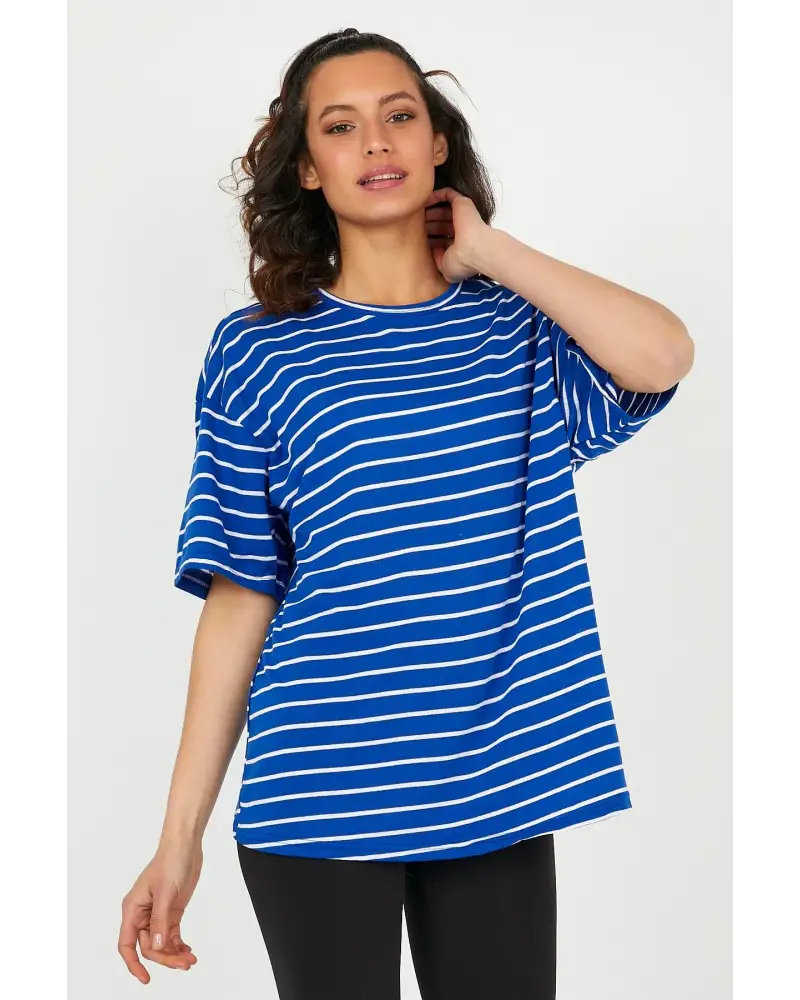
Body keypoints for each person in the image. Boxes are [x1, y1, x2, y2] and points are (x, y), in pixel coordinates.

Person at [117, 27, 694, 999]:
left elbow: (663, 356)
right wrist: (178, 840)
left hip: (501, 779)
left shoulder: (518, 325)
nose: (376, 142)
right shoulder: (259, 351)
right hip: (319, 786)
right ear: (307, 166)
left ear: (437, 144)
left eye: (398, 116)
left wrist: (488, 249)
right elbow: (240, 593)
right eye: (340, 126)